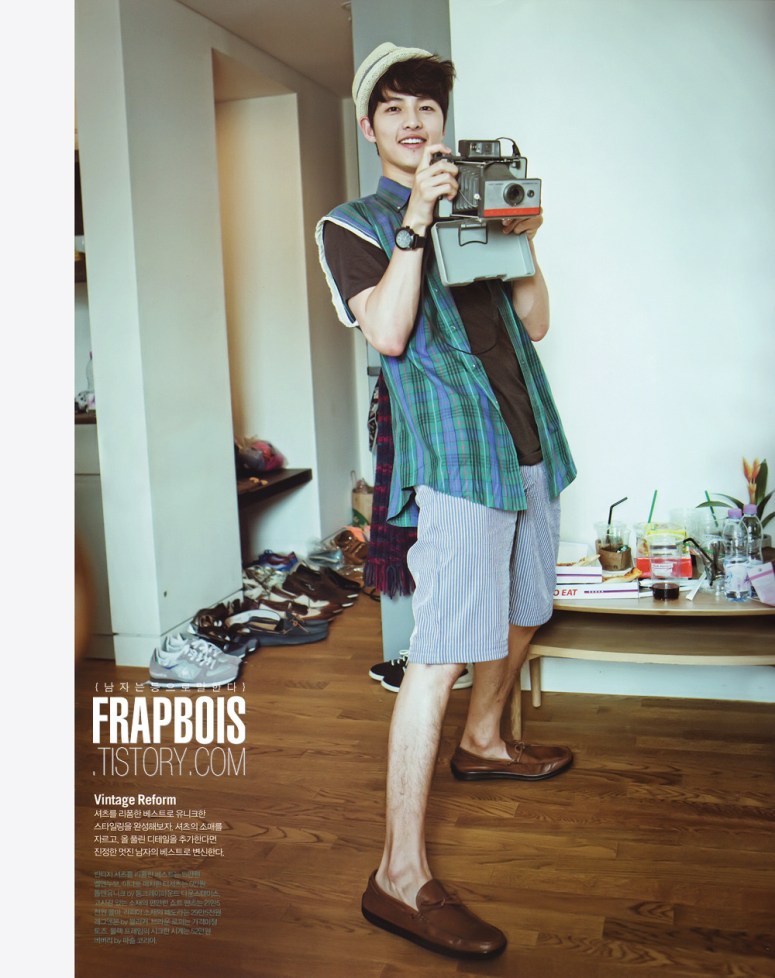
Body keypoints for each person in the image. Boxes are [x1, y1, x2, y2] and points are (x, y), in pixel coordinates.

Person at [315, 42, 577, 960]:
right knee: (439, 654)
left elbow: (533, 320)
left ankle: (485, 742)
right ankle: (397, 875)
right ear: (369, 125)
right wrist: (417, 219)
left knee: (526, 607)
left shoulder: (476, 204)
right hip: (458, 459)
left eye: (425, 105)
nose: (413, 121)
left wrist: (522, 235)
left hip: (527, 438)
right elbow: (388, 333)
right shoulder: (350, 225)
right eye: (393, 107)